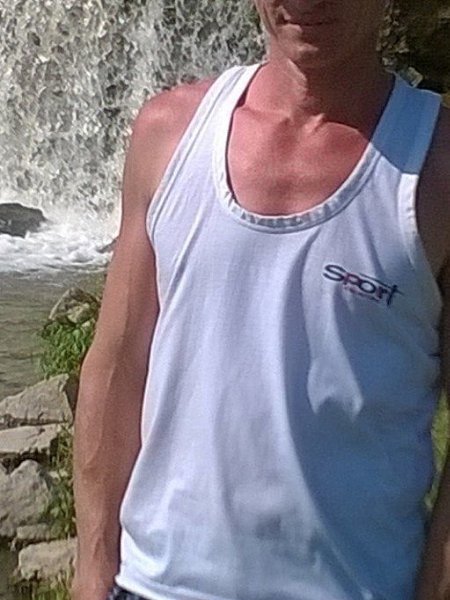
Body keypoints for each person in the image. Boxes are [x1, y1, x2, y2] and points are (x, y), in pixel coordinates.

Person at [71, 1, 450, 599]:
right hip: (154, 586)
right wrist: (93, 573)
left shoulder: (437, 168)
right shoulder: (167, 132)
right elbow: (117, 369)